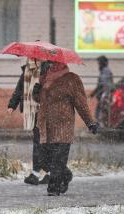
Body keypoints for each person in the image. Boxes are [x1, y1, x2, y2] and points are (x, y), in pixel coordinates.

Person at [35, 62, 99, 196]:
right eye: (52, 64)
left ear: (62, 63)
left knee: (58, 158)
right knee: (44, 159)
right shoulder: (44, 77)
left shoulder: (72, 79)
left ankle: (53, 187)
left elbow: (81, 103)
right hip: (46, 124)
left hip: (63, 125)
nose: (53, 66)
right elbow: (40, 100)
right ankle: (66, 175)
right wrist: (37, 91)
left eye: (56, 63)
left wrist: (90, 122)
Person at [7, 58, 50, 185]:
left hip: (44, 110)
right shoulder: (26, 71)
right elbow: (19, 89)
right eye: (31, 57)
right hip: (31, 111)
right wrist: (12, 105)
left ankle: (42, 173)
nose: (33, 59)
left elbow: (52, 90)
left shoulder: (47, 71)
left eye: (36, 57)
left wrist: (40, 91)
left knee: (44, 142)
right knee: (39, 142)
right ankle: (43, 173)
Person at [90, 55, 114, 126]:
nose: (99, 65)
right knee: (101, 110)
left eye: (100, 63)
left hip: (105, 94)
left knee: (101, 111)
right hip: (103, 93)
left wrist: (94, 93)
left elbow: (102, 84)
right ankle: (101, 124)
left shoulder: (105, 70)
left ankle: (100, 125)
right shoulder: (104, 70)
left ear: (104, 63)